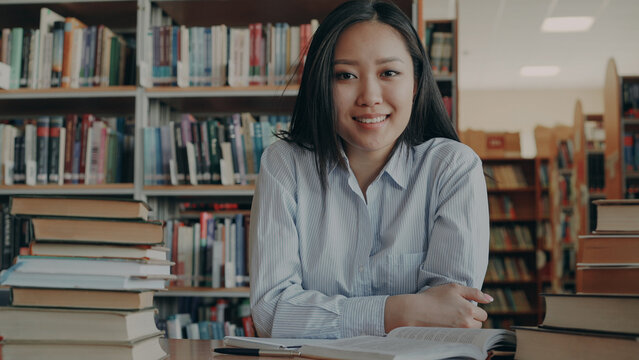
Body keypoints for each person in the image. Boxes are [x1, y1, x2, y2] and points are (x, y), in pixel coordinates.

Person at [249, 0, 491, 339]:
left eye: (388, 73)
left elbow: (449, 318)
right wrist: (398, 311)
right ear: (322, 84)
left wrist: (318, 316)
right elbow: (271, 313)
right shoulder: (284, 164)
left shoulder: (453, 168)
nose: (369, 97)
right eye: (345, 75)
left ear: (416, 82)